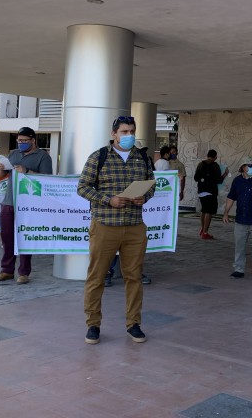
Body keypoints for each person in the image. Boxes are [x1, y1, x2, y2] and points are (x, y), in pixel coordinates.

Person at [78, 116, 155, 345]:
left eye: (132, 131)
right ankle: (93, 325)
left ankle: (134, 324)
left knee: (134, 277)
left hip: (134, 226)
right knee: (97, 277)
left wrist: (145, 197)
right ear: (114, 134)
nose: (129, 135)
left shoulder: (142, 157)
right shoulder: (99, 157)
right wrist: (107, 200)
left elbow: (151, 184)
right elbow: (82, 187)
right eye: (124, 131)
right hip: (105, 226)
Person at [0, 127, 52, 284]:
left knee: (25, 237)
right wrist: (0, 170)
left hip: (28, 203)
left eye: (25, 141)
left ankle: (24, 272)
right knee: (6, 237)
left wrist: (27, 171)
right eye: (19, 141)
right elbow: (1, 176)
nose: (22, 143)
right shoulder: (13, 154)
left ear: (33, 140)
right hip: (8, 201)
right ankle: (6, 270)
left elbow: (47, 179)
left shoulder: (43, 156)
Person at [223, 156, 252, 283]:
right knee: (239, 247)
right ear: (243, 167)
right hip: (240, 220)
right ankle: (239, 269)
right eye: (249, 166)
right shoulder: (237, 181)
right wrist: (226, 213)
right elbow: (231, 197)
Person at [194, 149, 228, 239]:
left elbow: (196, 178)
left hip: (201, 191)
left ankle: (202, 229)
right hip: (211, 191)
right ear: (215, 157)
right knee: (209, 211)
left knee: (204, 211)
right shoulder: (215, 165)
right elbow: (219, 180)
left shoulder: (200, 164)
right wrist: (225, 174)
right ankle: (205, 232)